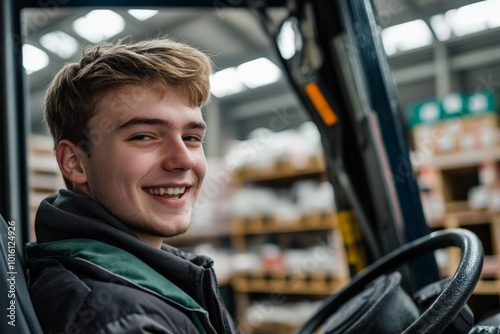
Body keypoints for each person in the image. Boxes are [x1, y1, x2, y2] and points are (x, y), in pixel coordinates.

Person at [25, 37, 239, 333]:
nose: (183, 160)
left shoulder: (135, 283)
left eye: (191, 137)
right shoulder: (118, 318)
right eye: (144, 136)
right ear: (74, 162)